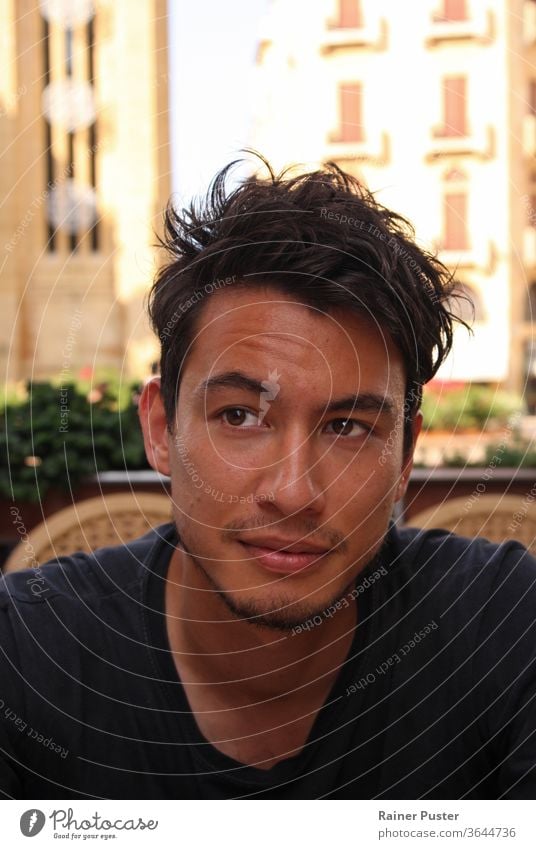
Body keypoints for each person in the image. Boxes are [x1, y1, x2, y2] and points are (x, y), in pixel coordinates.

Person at [1, 157, 535, 801]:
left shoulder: (507, 624)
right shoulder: (26, 655)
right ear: (162, 429)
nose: (293, 491)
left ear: (404, 456)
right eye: (240, 415)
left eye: (348, 427)